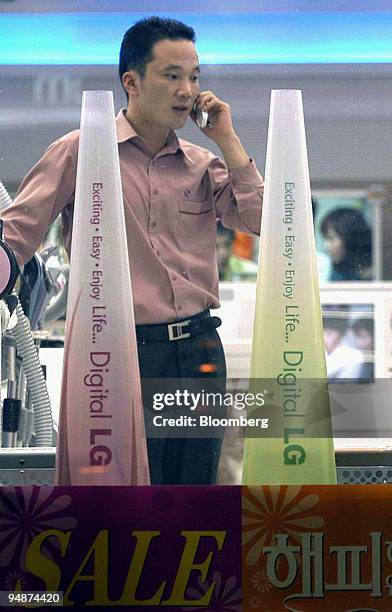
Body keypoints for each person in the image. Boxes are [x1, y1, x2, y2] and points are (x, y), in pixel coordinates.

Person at [1, 16, 264, 484]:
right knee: (119, 498)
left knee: (194, 497)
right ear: (132, 82)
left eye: (195, 76)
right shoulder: (79, 151)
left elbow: (264, 220)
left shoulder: (202, 164)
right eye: (172, 75)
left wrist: (226, 138)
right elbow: (16, 235)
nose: (188, 90)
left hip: (200, 351)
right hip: (116, 352)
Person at [320, 208, 372, 281]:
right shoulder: (337, 271)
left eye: (331, 239)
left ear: (349, 239)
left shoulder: (379, 269)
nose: (326, 246)